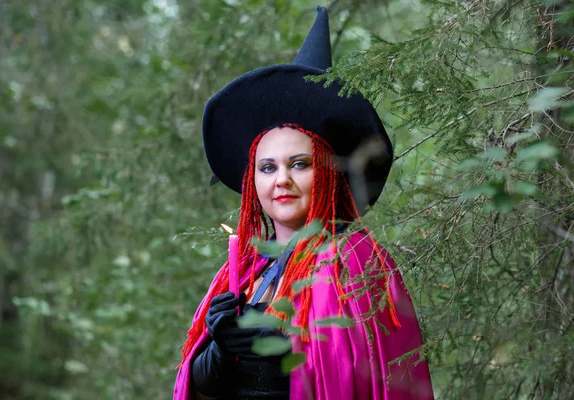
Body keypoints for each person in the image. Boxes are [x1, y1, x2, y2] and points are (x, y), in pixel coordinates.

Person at [174, 6, 434, 400]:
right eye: (267, 167)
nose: (281, 179)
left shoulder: (356, 264)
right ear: (252, 181)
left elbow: (365, 378)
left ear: (329, 173)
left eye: (299, 164)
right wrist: (221, 349)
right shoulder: (244, 273)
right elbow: (199, 386)